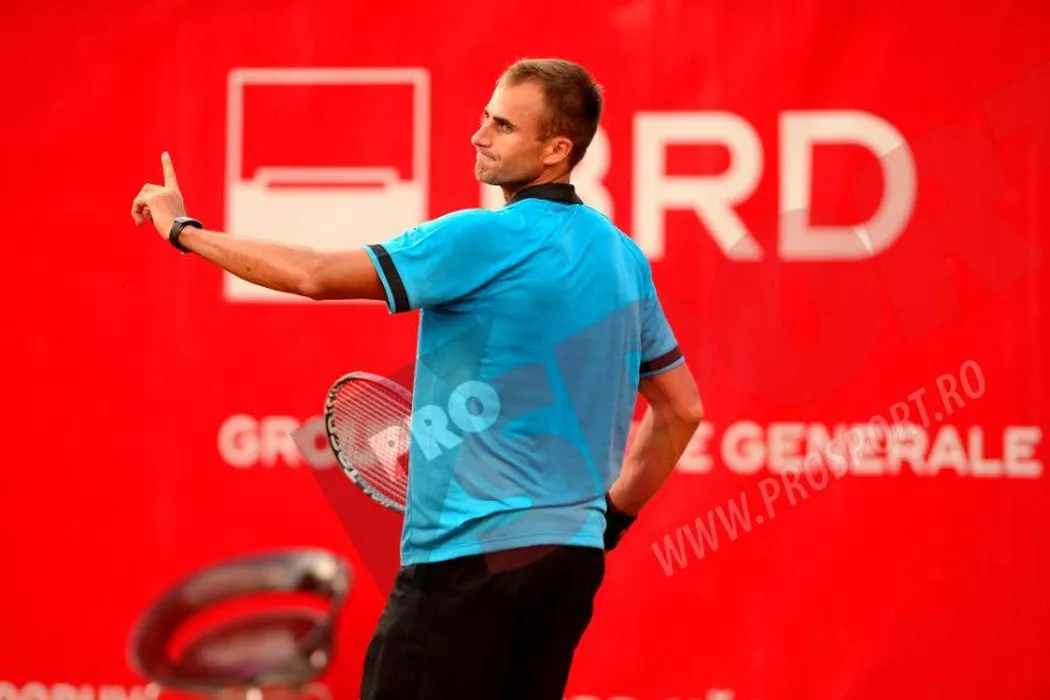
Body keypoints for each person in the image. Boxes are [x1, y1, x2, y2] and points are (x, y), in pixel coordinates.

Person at [132, 57, 704, 700]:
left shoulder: (483, 237)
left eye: (503, 126)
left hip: (467, 563)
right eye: (486, 117)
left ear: (556, 150)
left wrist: (184, 232)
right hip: (567, 569)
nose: (478, 136)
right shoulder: (625, 259)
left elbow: (313, 275)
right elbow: (680, 410)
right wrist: (608, 521)